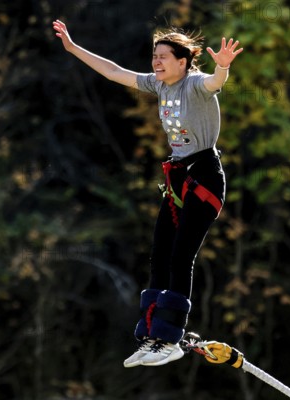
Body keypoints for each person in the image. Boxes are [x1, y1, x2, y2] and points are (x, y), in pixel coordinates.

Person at [53, 19, 243, 367]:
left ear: (182, 62)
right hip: (178, 177)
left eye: (163, 57)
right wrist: (73, 47)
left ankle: (171, 337)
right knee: (159, 254)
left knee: (181, 255)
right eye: (154, 56)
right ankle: (153, 337)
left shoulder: (196, 84)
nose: (156, 63)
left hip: (204, 177)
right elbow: (114, 72)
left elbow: (217, 81)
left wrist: (223, 65)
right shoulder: (159, 85)